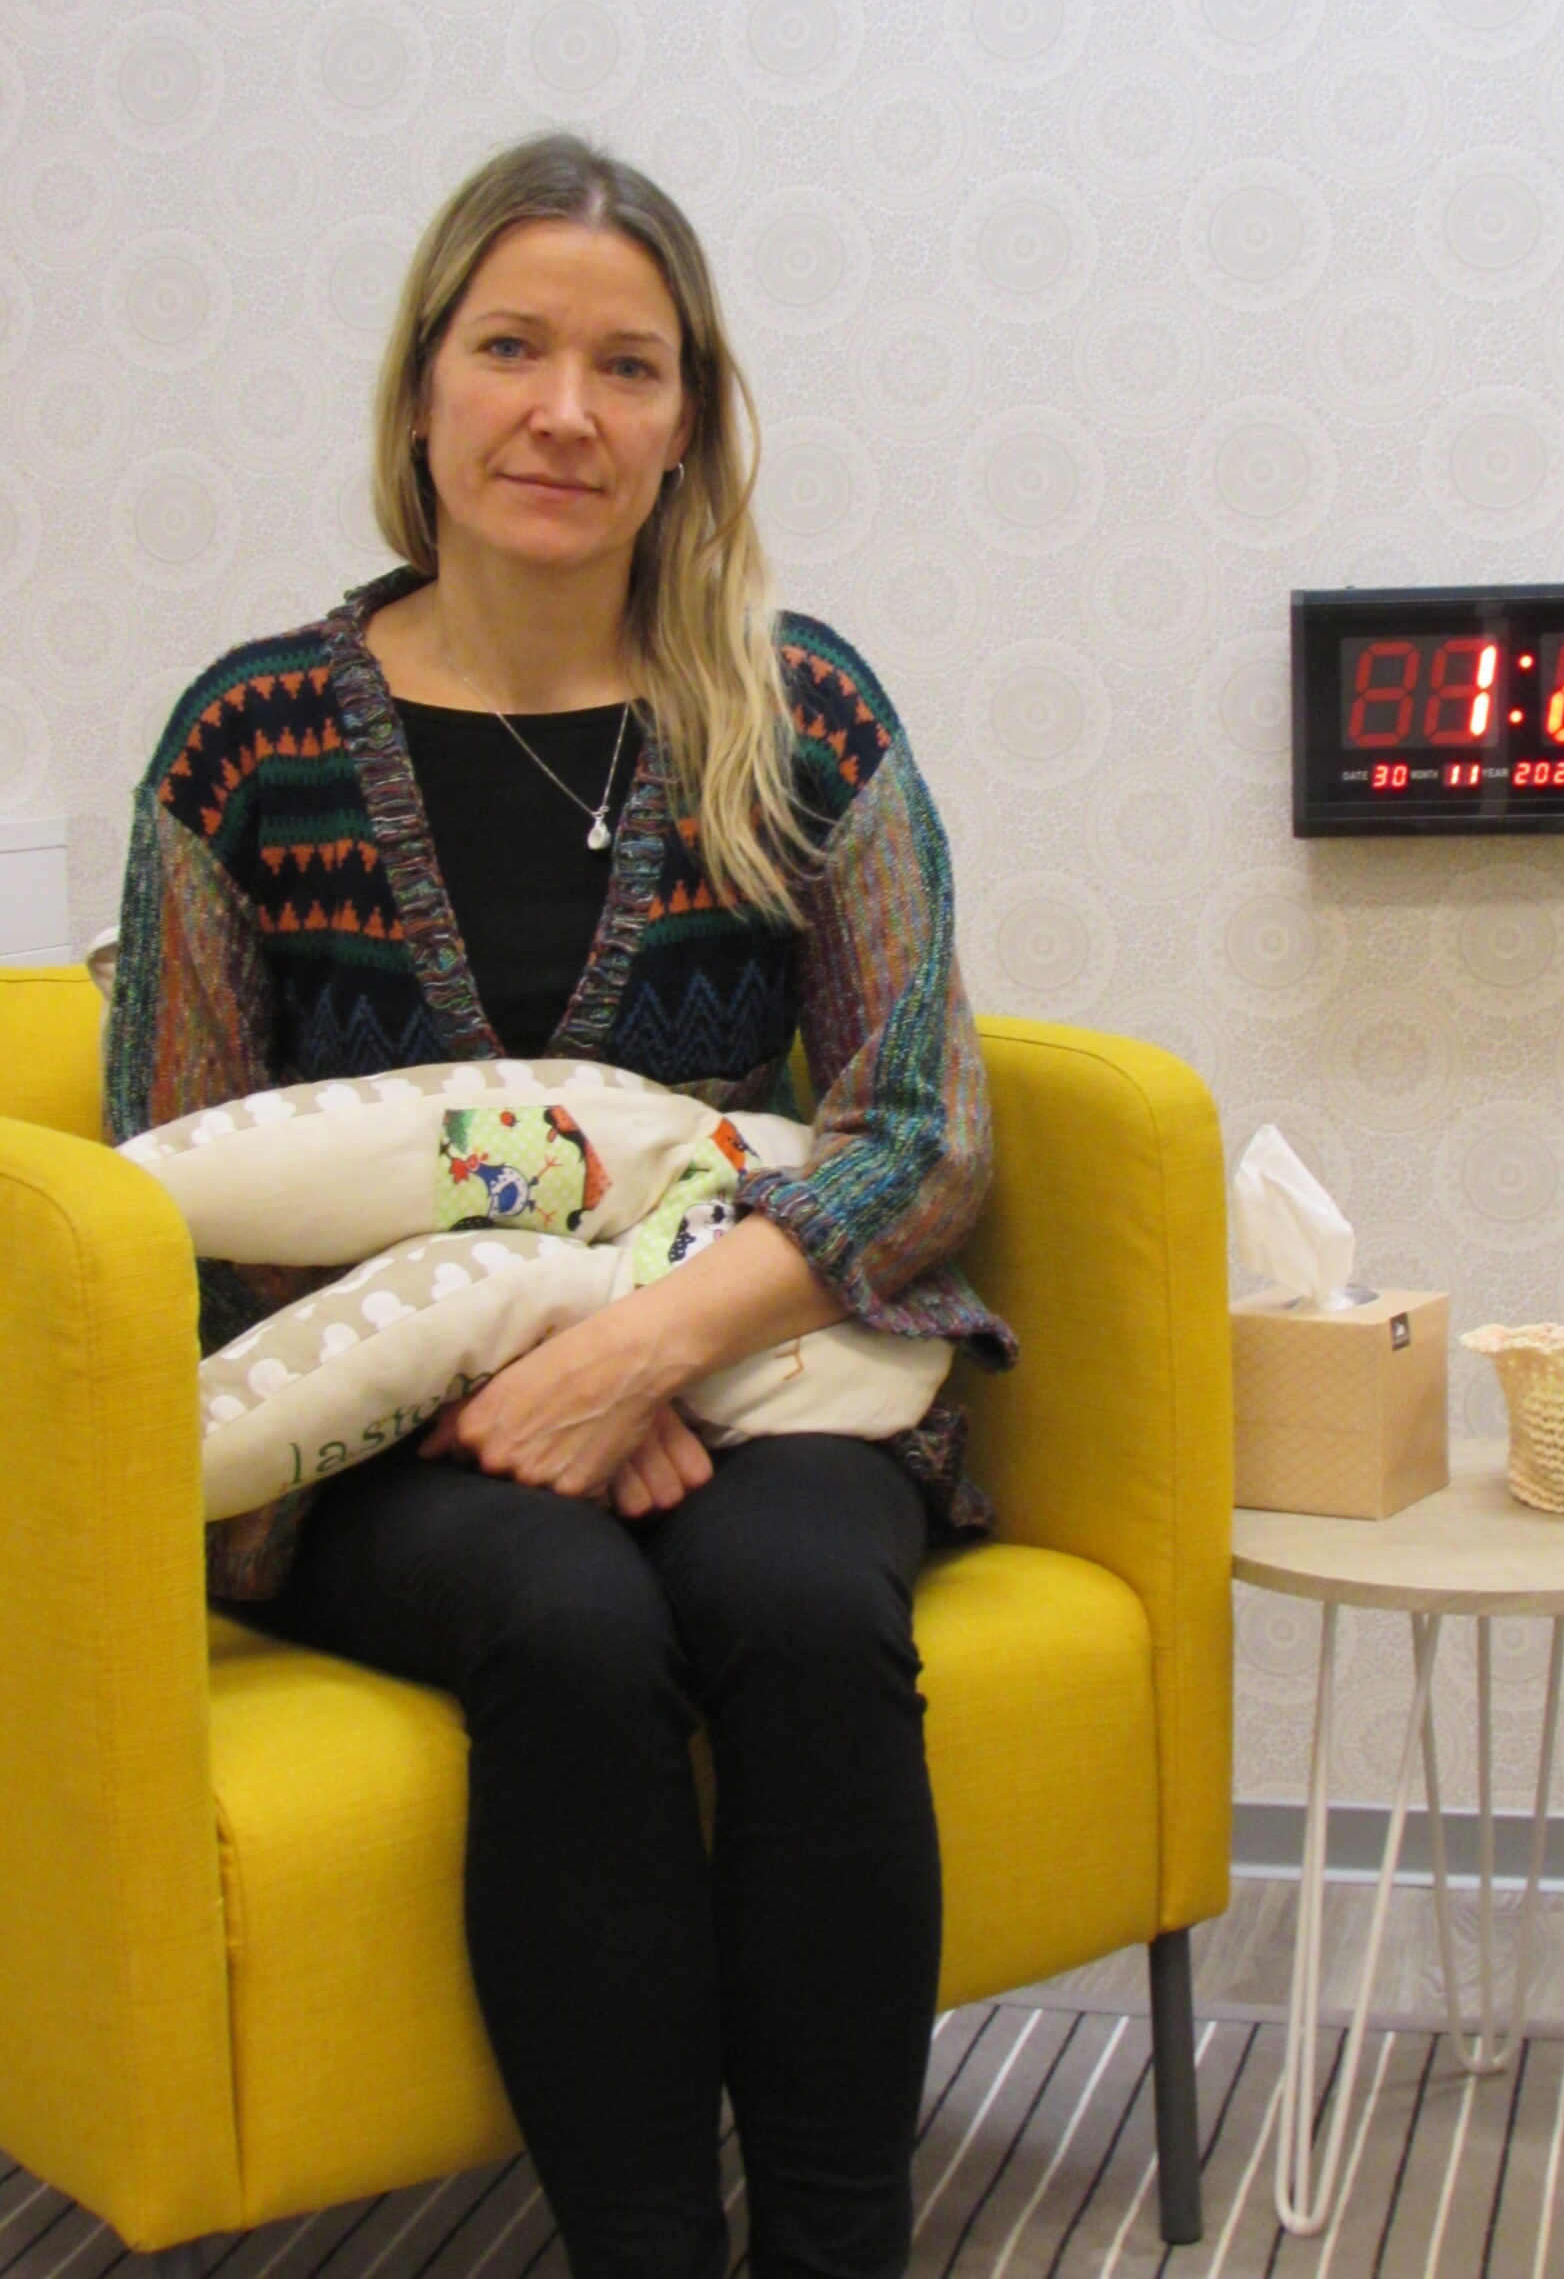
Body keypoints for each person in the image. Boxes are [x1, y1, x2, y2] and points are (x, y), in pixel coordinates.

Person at [106, 132, 1014, 2279]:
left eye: (629, 365)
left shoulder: (804, 712)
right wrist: (498, 1364)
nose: (566, 413)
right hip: (378, 1423)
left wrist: (640, 1350)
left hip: (758, 1363)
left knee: (804, 1611)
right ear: (423, 382)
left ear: (690, 419)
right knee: (572, 1625)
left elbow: (923, 1123)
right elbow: (173, 1185)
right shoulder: (247, 742)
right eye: (513, 348)